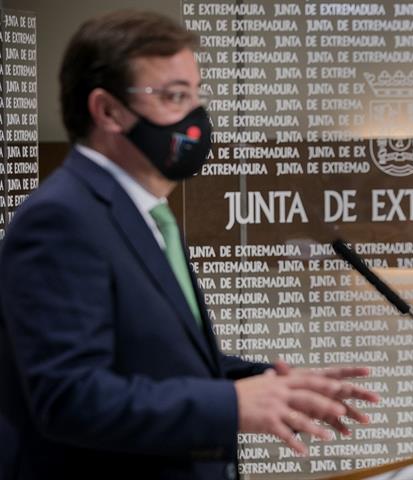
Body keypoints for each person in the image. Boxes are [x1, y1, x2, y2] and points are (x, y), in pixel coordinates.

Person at [0, 10, 379, 480]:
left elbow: (158, 361)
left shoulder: (144, 212)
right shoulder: (61, 219)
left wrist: (263, 383)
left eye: (196, 96)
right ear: (107, 110)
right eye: (175, 96)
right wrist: (230, 404)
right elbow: (70, 397)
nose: (196, 119)